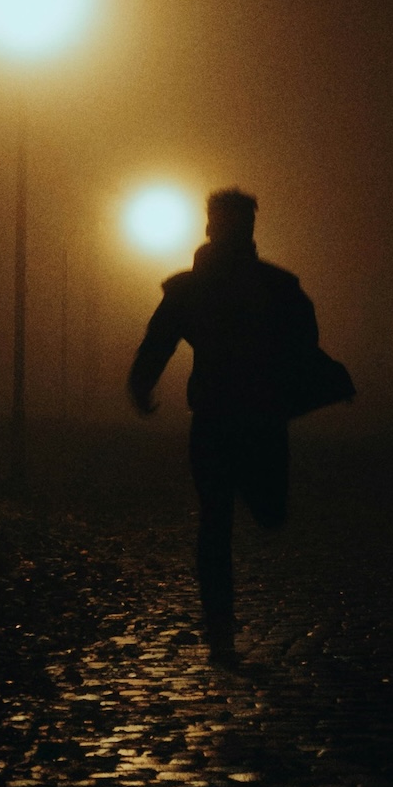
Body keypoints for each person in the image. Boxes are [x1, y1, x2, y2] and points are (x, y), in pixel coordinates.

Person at [127, 188, 323, 666]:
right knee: (223, 519)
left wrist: (141, 382)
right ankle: (219, 632)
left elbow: (160, 339)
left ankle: (219, 629)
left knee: (228, 519)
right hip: (241, 416)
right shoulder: (271, 287)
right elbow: (305, 348)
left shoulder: (216, 289)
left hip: (230, 415)